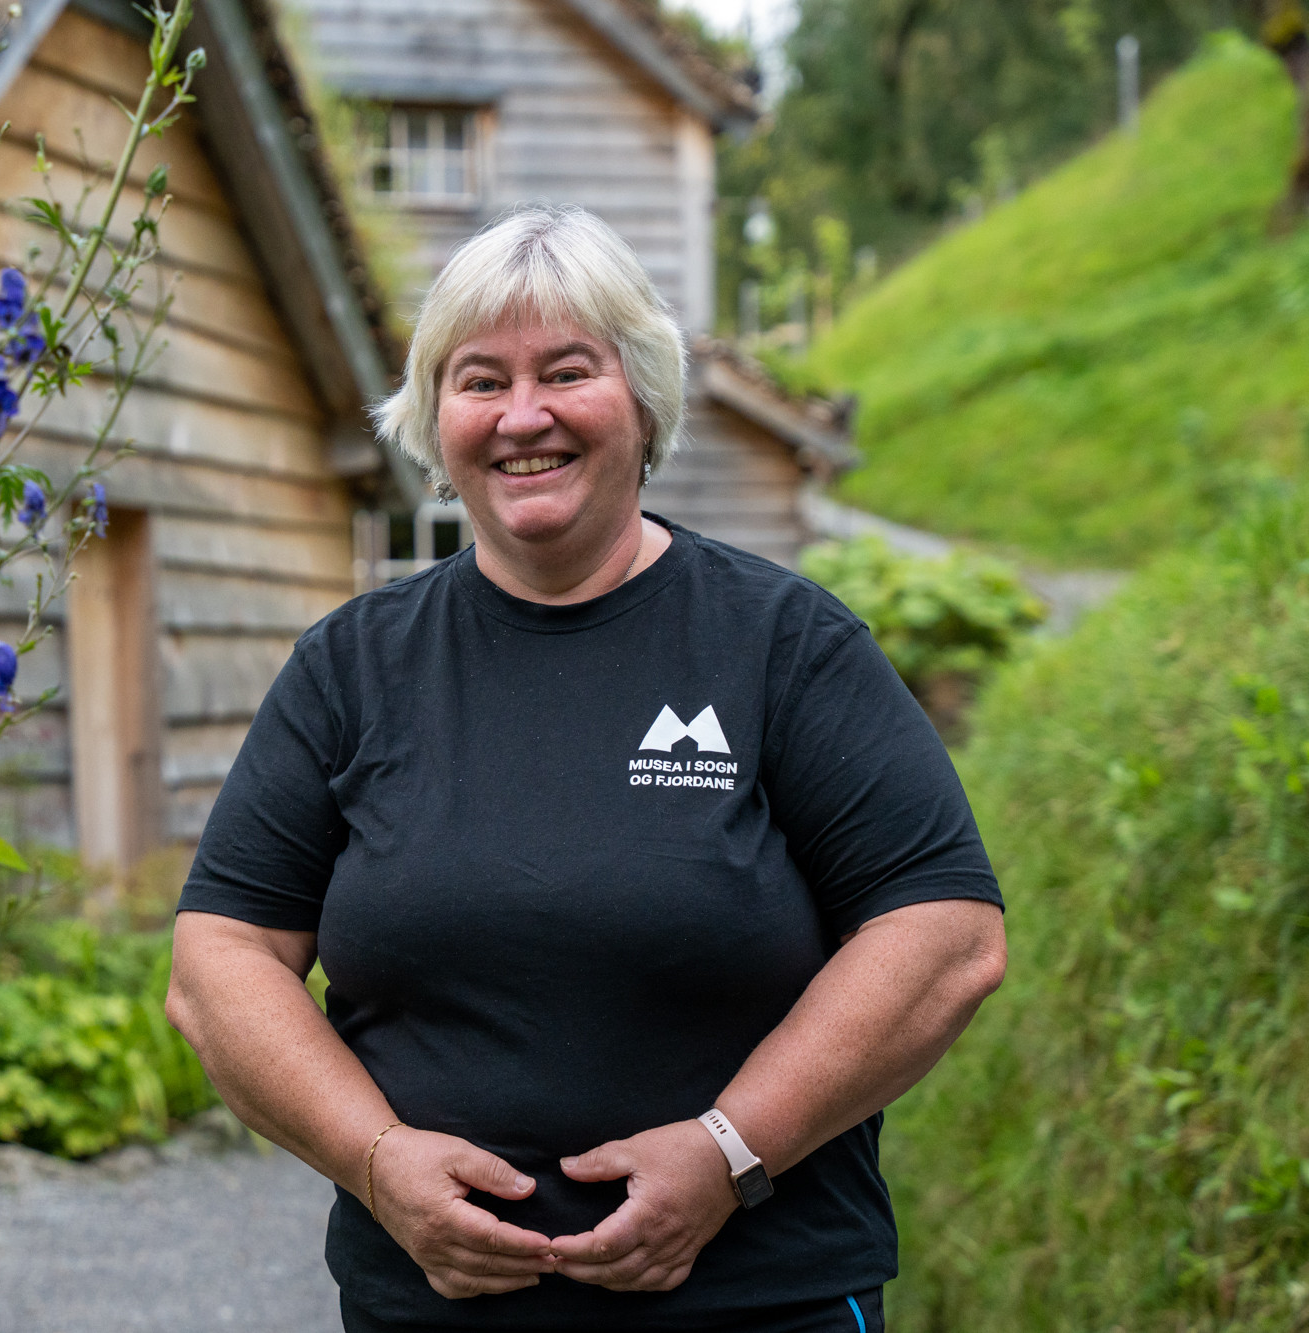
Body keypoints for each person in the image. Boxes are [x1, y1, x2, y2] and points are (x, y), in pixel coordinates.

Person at [165, 204, 1007, 1332]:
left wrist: (726, 1152)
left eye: (567, 371)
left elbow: (944, 933)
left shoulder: (781, 645)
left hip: (754, 1301)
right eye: (478, 381)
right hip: (430, 1308)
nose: (523, 417)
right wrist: (375, 1162)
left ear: (642, 400)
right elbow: (218, 959)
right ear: (433, 417)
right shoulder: (351, 668)